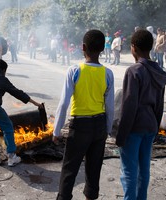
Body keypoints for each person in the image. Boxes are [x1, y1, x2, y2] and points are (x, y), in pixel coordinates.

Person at [53, 29, 115, 200]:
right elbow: (110, 107)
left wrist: (56, 131)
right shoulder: (107, 73)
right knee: (94, 169)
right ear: (102, 48)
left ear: (83, 47)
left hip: (79, 126)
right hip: (99, 126)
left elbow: (64, 103)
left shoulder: (75, 71)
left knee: (69, 169)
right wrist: (107, 130)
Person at [115, 29, 166, 200]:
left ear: (133, 48)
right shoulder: (159, 72)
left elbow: (129, 106)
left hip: (134, 128)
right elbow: (160, 104)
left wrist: (121, 135)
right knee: (144, 170)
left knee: (129, 171)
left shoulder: (134, 71)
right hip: (150, 126)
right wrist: (156, 128)